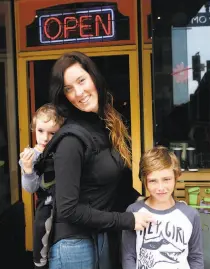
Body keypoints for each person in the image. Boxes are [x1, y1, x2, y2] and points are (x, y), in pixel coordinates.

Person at [37, 51, 155, 269]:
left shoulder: (102, 125)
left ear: (94, 77)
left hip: (97, 240)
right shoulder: (71, 140)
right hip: (74, 248)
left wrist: (156, 204)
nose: (79, 93)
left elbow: (113, 188)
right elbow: (68, 210)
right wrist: (127, 220)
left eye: (81, 80)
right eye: (69, 89)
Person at [122, 146, 204, 269]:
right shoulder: (134, 211)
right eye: (153, 181)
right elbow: (128, 256)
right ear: (144, 181)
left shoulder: (190, 215)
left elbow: (196, 257)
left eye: (166, 179)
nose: (160, 187)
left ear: (176, 177)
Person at [19, 103, 64, 269]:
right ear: (34, 128)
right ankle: (40, 262)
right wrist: (28, 169)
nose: (45, 138)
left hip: (65, 200)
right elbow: (30, 188)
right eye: (40, 131)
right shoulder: (29, 155)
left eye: (52, 133)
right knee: (40, 226)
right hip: (46, 200)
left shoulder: (63, 151)